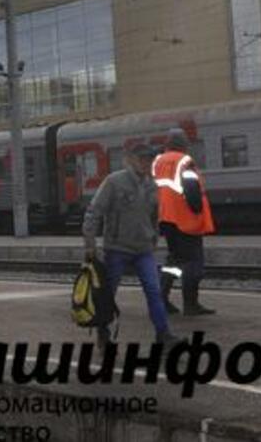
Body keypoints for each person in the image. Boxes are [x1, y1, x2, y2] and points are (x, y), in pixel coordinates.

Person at [82, 142, 172, 345]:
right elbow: (94, 212)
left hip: (143, 249)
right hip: (117, 249)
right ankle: (103, 332)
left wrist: (153, 237)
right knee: (108, 293)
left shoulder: (151, 185)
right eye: (142, 159)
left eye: (149, 159)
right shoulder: (114, 182)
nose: (146, 163)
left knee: (154, 291)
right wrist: (90, 243)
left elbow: (153, 215)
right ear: (130, 160)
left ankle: (163, 334)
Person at [152, 126, 217, 316]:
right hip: (185, 219)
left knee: (174, 260)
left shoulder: (158, 162)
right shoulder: (184, 161)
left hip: (166, 218)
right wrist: (197, 210)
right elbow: (191, 190)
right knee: (192, 263)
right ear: (184, 144)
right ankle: (191, 304)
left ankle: (161, 299)